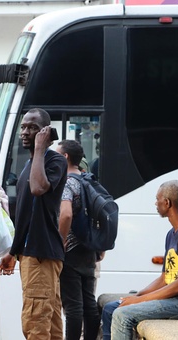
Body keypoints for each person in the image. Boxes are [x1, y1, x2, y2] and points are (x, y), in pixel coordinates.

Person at [101, 180, 178, 340]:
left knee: (122, 315)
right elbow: (165, 278)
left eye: (157, 199)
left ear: (167, 202)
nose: (155, 203)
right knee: (110, 308)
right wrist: (137, 296)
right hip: (177, 299)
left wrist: (140, 300)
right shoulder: (172, 234)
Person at [0, 108, 67, 340]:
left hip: (42, 254)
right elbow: (25, 216)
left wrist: (40, 147)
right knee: (50, 322)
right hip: (30, 253)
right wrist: (14, 251)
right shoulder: (30, 165)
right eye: (24, 127)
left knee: (35, 321)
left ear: (45, 132)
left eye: (33, 128)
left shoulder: (54, 160)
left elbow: (38, 189)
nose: (25, 132)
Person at [56, 140, 100, 340]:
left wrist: (61, 241)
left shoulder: (67, 182)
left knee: (73, 305)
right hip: (89, 248)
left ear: (65, 157)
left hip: (71, 250)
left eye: (58, 154)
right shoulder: (89, 180)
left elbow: (65, 215)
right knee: (89, 302)